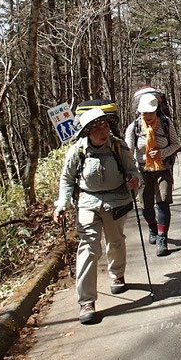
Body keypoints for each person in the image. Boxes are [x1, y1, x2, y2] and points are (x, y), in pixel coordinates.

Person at [53, 106, 140, 325]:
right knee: (89, 247)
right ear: (87, 132)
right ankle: (86, 302)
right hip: (88, 202)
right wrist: (62, 204)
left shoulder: (119, 147)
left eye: (105, 125)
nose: (103, 131)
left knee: (116, 241)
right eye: (97, 128)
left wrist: (133, 180)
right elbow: (67, 179)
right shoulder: (77, 151)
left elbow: (133, 170)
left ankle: (117, 274)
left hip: (117, 201)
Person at [126, 93, 181, 257]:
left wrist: (161, 153)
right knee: (146, 206)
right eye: (144, 113)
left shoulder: (165, 123)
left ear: (156, 111)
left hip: (163, 169)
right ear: (139, 112)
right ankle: (152, 227)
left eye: (150, 113)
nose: (148, 116)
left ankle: (162, 238)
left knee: (163, 202)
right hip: (143, 171)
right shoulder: (133, 128)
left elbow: (177, 144)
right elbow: (129, 152)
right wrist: (141, 161)